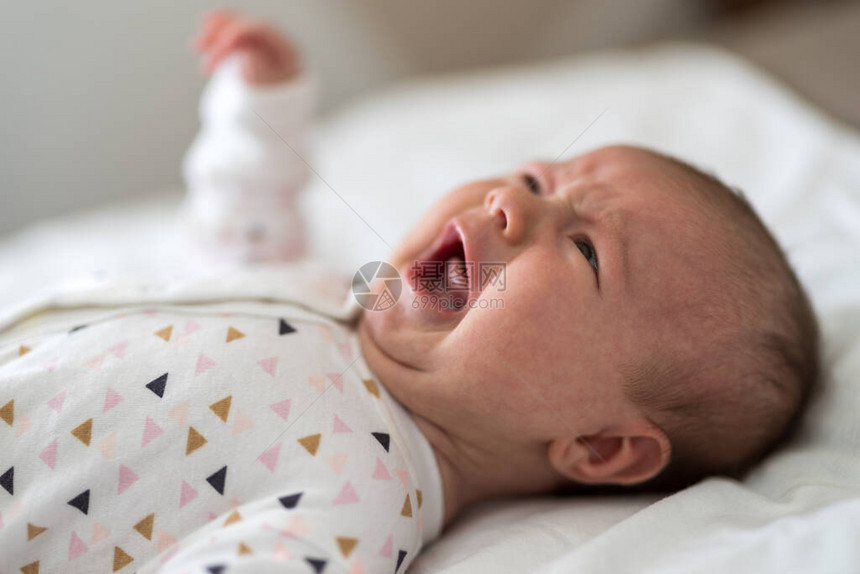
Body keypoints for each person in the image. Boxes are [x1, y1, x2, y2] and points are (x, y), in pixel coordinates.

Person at [0, 10, 819, 574]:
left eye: (585, 251)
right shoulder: (330, 293)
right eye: (537, 176)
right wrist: (261, 118)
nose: (513, 200)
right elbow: (238, 239)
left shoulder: (358, 495)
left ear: (600, 449)